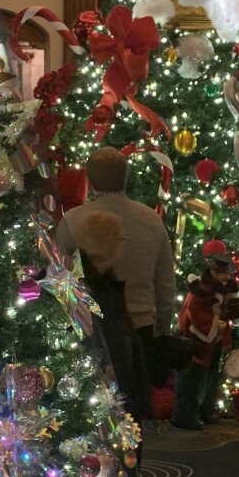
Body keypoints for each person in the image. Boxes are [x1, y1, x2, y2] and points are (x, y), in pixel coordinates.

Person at [57, 146, 177, 386]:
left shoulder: (71, 221)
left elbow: (62, 280)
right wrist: (162, 328)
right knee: (136, 397)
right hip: (141, 327)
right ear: (125, 176)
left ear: (90, 179)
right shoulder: (151, 219)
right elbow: (165, 282)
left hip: (91, 329)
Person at [72, 209, 150, 433]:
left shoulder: (105, 280)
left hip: (118, 378)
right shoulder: (89, 289)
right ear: (106, 242)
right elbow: (99, 340)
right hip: (109, 384)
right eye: (121, 238)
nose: (125, 244)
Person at [173, 240, 239, 430]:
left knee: (211, 376)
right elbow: (194, 314)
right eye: (219, 273)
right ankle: (185, 414)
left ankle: (206, 408)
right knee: (193, 378)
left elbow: (234, 311)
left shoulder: (227, 289)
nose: (223, 277)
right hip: (198, 339)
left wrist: (233, 304)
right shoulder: (201, 290)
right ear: (212, 271)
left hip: (214, 341)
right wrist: (213, 325)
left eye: (226, 274)